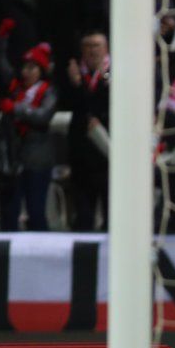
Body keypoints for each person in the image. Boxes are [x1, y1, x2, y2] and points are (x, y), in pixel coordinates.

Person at [0, 42, 58, 231]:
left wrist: (15, 108)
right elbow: (1, 65)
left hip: (37, 159)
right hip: (15, 159)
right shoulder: (17, 90)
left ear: (41, 70)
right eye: (25, 67)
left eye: (32, 68)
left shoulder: (49, 91)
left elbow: (42, 116)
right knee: (9, 210)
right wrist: (0, 39)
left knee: (36, 210)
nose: (26, 72)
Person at [66, 29, 109, 231]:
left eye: (96, 45)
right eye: (88, 46)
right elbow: (74, 107)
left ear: (106, 48)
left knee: (112, 214)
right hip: (82, 155)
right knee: (83, 216)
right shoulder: (73, 75)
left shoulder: (116, 73)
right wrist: (75, 85)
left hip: (108, 154)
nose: (92, 51)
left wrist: (82, 85)